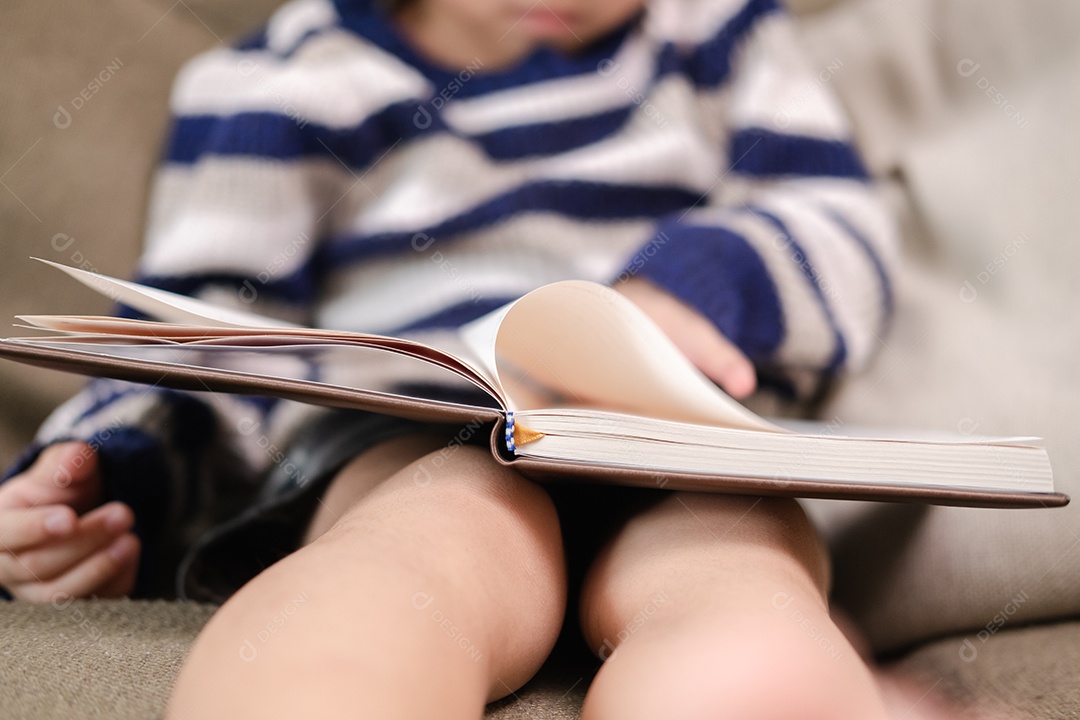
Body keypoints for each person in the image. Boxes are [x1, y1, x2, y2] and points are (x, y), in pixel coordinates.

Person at [0, 0, 940, 717]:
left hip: (677, 438)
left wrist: (698, 285)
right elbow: (202, 331)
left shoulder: (718, 37)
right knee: (416, 551)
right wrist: (105, 473)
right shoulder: (282, 78)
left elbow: (841, 226)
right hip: (416, 434)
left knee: (737, 582)